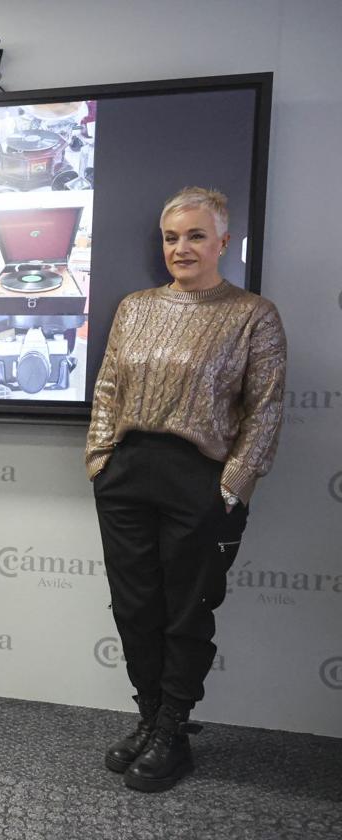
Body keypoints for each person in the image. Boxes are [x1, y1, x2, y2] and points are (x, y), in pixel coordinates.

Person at [86, 186, 286, 791]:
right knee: (135, 607)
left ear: (224, 241)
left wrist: (233, 487)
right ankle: (149, 719)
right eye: (172, 237)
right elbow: (108, 390)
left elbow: (266, 410)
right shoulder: (135, 306)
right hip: (127, 473)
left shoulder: (253, 313)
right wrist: (100, 458)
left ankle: (174, 729)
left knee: (185, 613)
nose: (182, 248)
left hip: (201, 480)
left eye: (196, 235)